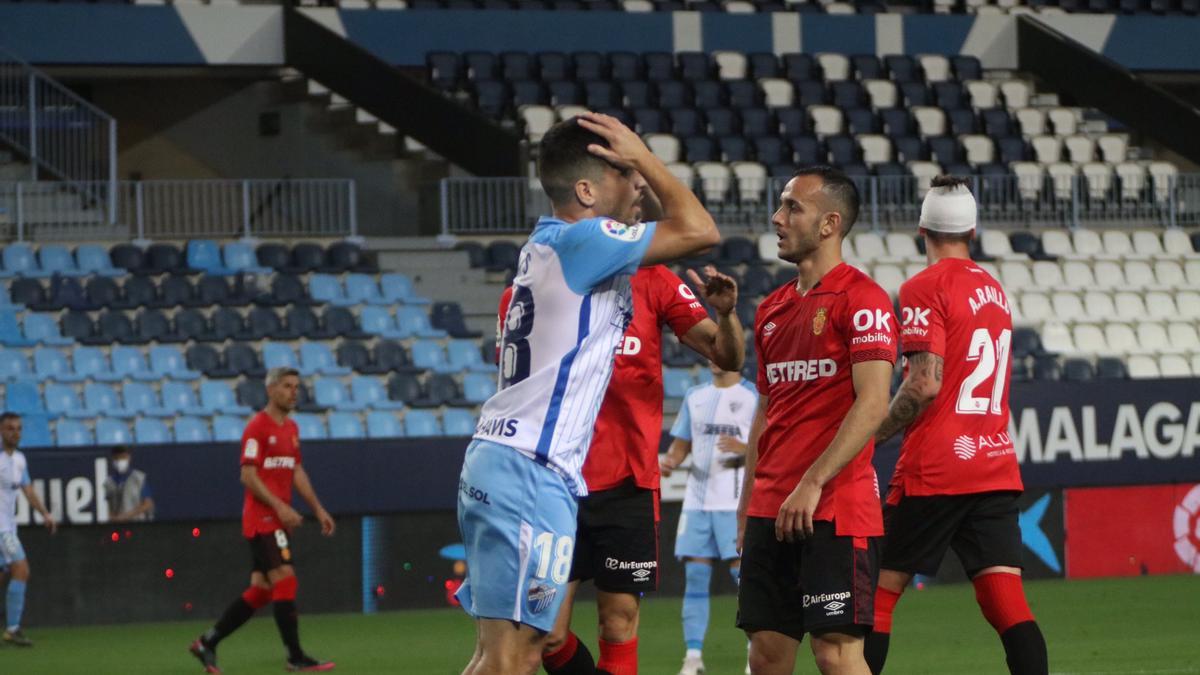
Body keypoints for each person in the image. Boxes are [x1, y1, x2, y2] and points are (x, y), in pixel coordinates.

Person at [457, 113, 721, 675]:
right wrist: (645, 152)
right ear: (585, 191)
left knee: (504, 652)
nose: (640, 186)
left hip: (500, 460)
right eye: (626, 175)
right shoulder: (584, 241)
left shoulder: (543, 247)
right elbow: (700, 230)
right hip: (532, 469)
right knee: (514, 656)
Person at [498, 192, 744, 675]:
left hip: (627, 484)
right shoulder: (533, 287)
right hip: (555, 484)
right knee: (547, 636)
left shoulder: (654, 282)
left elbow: (727, 357)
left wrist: (727, 315)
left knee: (619, 623)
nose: (635, 206)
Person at [864, 177, 1048, 675]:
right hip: (992, 460)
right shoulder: (994, 289)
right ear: (973, 229)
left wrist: (867, 435)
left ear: (921, 228)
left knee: (876, 596)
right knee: (1007, 605)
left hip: (938, 466)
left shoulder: (923, 286)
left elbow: (923, 383)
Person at [737, 166, 896, 675]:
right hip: (771, 509)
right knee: (766, 655)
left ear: (829, 224)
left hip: (834, 506)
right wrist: (747, 506)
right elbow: (767, 411)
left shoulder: (863, 299)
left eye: (791, 207)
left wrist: (812, 481)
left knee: (835, 652)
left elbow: (873, 403)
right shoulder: (770, 311)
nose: (777, 217)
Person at [190, 367, 336, 673]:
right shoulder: (257, 427)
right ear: (271, 390)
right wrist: (280, 507)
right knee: (286, 579)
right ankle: (295, 657)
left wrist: (318, 508)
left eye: (297, 386)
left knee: (262, 590)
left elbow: (296, 471)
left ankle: (207, 642)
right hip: (262, 519)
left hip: (277, 519)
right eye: (287, 386)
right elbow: (247, 475)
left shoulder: (291, 429)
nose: (294, 391)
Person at [661, 361, 758, 675]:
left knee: (744, 580)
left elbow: (771, 443)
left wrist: (746, 448)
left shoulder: (753, 396)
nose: (715, 357)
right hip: (697, 502)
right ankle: (693, 658)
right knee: (695, 580)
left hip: (734, 502)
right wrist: (669, 463)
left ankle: (754, 653)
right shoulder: (694, 395)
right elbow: (679, 447)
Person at [0, 412, 56, 647]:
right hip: (1, 528)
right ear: (1, 431)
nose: (15, 432)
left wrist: (44, 513)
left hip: (8, 525)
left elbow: (28, 489)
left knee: (4, 575)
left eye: (19, 428)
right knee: (21, 569)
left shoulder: (20, 460)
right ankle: (12, 630)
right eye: (10, 428)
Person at [104, 445, 155, 522]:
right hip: (116, 525)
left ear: (128, 458)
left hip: (136, 523)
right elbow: (108, 505)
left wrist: (126, 516)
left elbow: (147, 503)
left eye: (123, 457)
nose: (119, 461)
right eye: (117, 458)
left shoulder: (138, 478)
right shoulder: (109, 482)